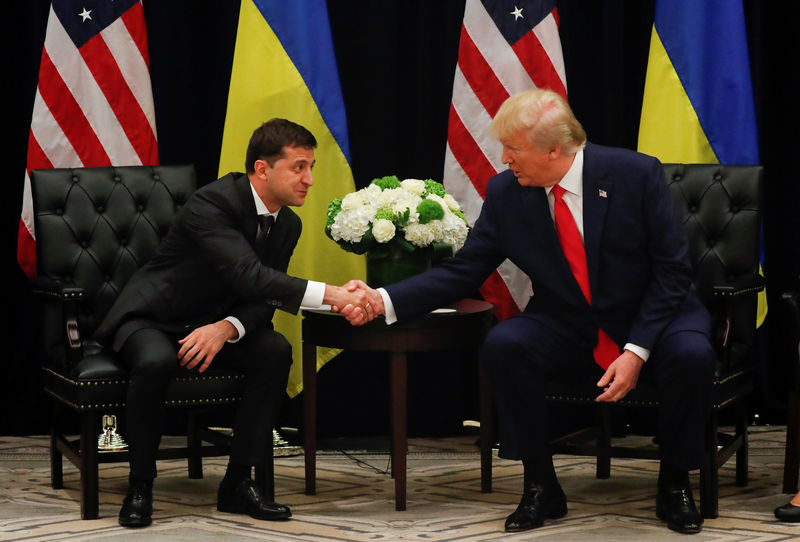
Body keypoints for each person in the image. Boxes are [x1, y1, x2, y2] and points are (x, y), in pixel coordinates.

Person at [343, 89, 715, 534]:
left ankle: (674, 483)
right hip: (569, 320)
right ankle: (541, 484)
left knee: (692, 355)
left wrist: (636, 350)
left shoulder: (635, 174)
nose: (504, 159)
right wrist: (382, 299)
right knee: (507, 343)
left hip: (655, 315)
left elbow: (673, 272)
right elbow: (465, 270)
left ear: (555, 149)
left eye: (514, 149)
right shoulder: (507, 193)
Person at [94, 118, 370, 528]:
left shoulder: (287, 223)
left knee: (274, 350)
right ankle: (140, 485)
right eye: (298, 167)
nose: (310, 179)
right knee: (155, 363)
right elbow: (250, 277)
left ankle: (238, 482)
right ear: (262, 169)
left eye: (311, 167)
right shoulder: (214, 202)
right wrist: (335, 295)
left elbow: (267, 297)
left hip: (215, 323)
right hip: (156, 317)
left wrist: (226, 327)